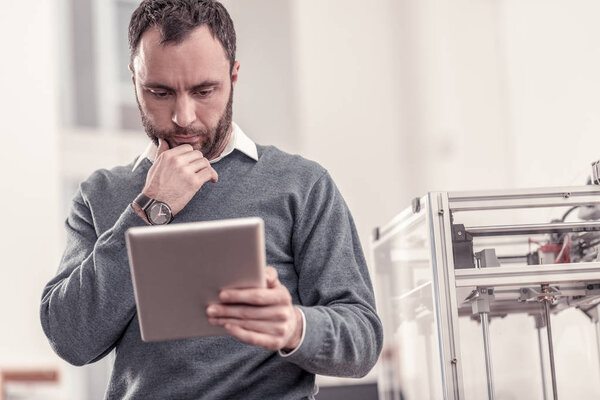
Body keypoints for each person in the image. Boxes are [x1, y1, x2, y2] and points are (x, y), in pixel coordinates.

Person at [40, 0, 383, 398]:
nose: (184, 117)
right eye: (160, 91)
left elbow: (363, 341)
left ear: (233, 76)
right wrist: (150, 209)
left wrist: (292, 325)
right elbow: (70, 339)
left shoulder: (302, 185)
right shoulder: (99, 195)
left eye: (204, 90)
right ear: (134, 79)